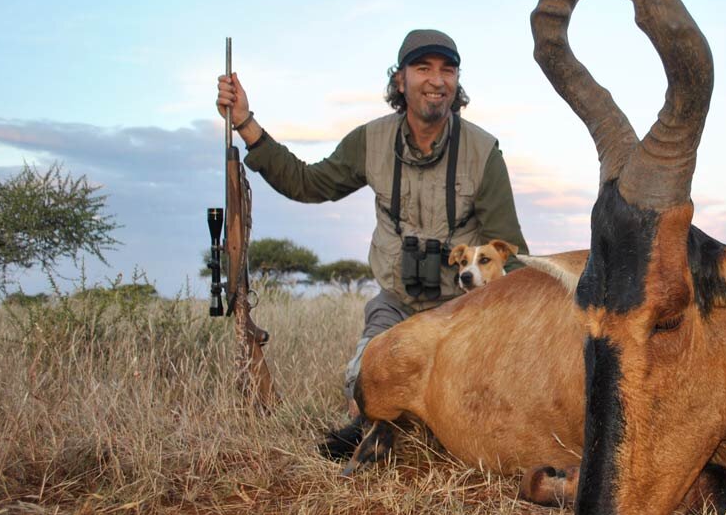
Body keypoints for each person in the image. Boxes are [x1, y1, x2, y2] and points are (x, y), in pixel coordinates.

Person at [216, 29, 529, 452]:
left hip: (462, 308)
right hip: (397, 301)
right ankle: (372, 426)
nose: (437, 81)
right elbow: (308, 183)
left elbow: (508, 248)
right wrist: (246, 125)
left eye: (448, 70)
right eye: (423, 69)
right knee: (364, 382)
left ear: (457, 83)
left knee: (471, 401)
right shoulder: (371, 140)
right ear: (400, 81)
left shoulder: (482, 150)